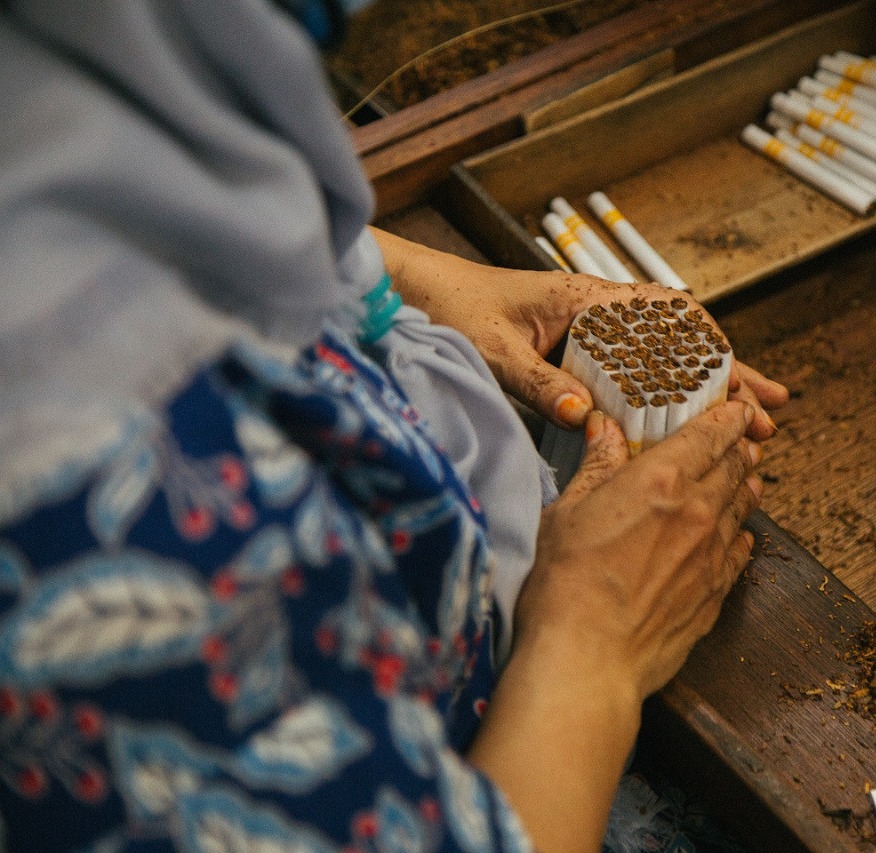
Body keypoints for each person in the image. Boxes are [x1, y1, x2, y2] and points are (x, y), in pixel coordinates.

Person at [0, 1, 788, 851]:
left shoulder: (81, 67)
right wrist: (591, 639)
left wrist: (393, 279)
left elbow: (132, 184)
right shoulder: (101, 516)